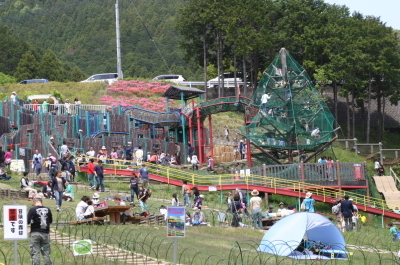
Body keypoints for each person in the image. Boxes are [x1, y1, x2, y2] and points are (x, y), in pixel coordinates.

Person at [27, 197, 53, 265]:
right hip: (45, 233)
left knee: (35, 252)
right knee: (46, 252)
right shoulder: (48, 209)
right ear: (41, 202)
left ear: (34, 202)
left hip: (35, 232)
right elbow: (50, 221)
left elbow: (27, 221)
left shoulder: (32, 209)